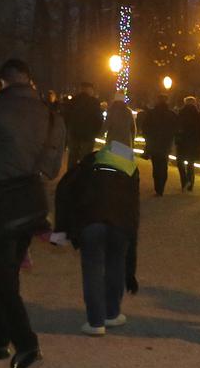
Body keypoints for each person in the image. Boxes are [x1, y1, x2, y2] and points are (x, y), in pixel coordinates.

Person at [0, 58, 66, 368]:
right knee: (9, 272)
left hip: (0, 205)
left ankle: (27, 345)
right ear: (30, 81)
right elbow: (51, 168)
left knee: (1, 279)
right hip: (31, 204)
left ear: (4, 83)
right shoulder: (52, 116)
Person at [55, 137, 140, 336]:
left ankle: (95, 322)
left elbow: (65, 190)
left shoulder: (87, 167)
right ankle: (112, 313)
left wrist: (61, 230)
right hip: (121, 223)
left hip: (90, 221)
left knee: (92, 268)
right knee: (116, 264)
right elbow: (134, 211)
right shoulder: (130, 175)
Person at [140, 94, 179, 197]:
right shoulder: (171, 114)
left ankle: (157, 187)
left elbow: (145, 127)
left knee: (156, 166)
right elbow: (176, 128)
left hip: (154, 143)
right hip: (166, 144)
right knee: (163, 166)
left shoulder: (152, 113)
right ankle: (161, 187)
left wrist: (148, 138)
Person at [64, 82, 105, 169]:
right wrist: (96, 132)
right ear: (90, 90)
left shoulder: (74, 100)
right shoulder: (94, 102)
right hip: (88, 136)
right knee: (85, 160)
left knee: (72, 157)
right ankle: (82, 175)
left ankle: (70, 175)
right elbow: (99, 119)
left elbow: (66, 116)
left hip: (74, 134)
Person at [175, 96, 200, 192]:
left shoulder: (181, 113)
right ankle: (190, 183)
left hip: (182, 141)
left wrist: (177, 138)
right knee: (191, 163)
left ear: (185, 103)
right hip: (194, 142)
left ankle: (184, 180)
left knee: (180, 162)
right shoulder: (198, 115)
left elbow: (177, 126)